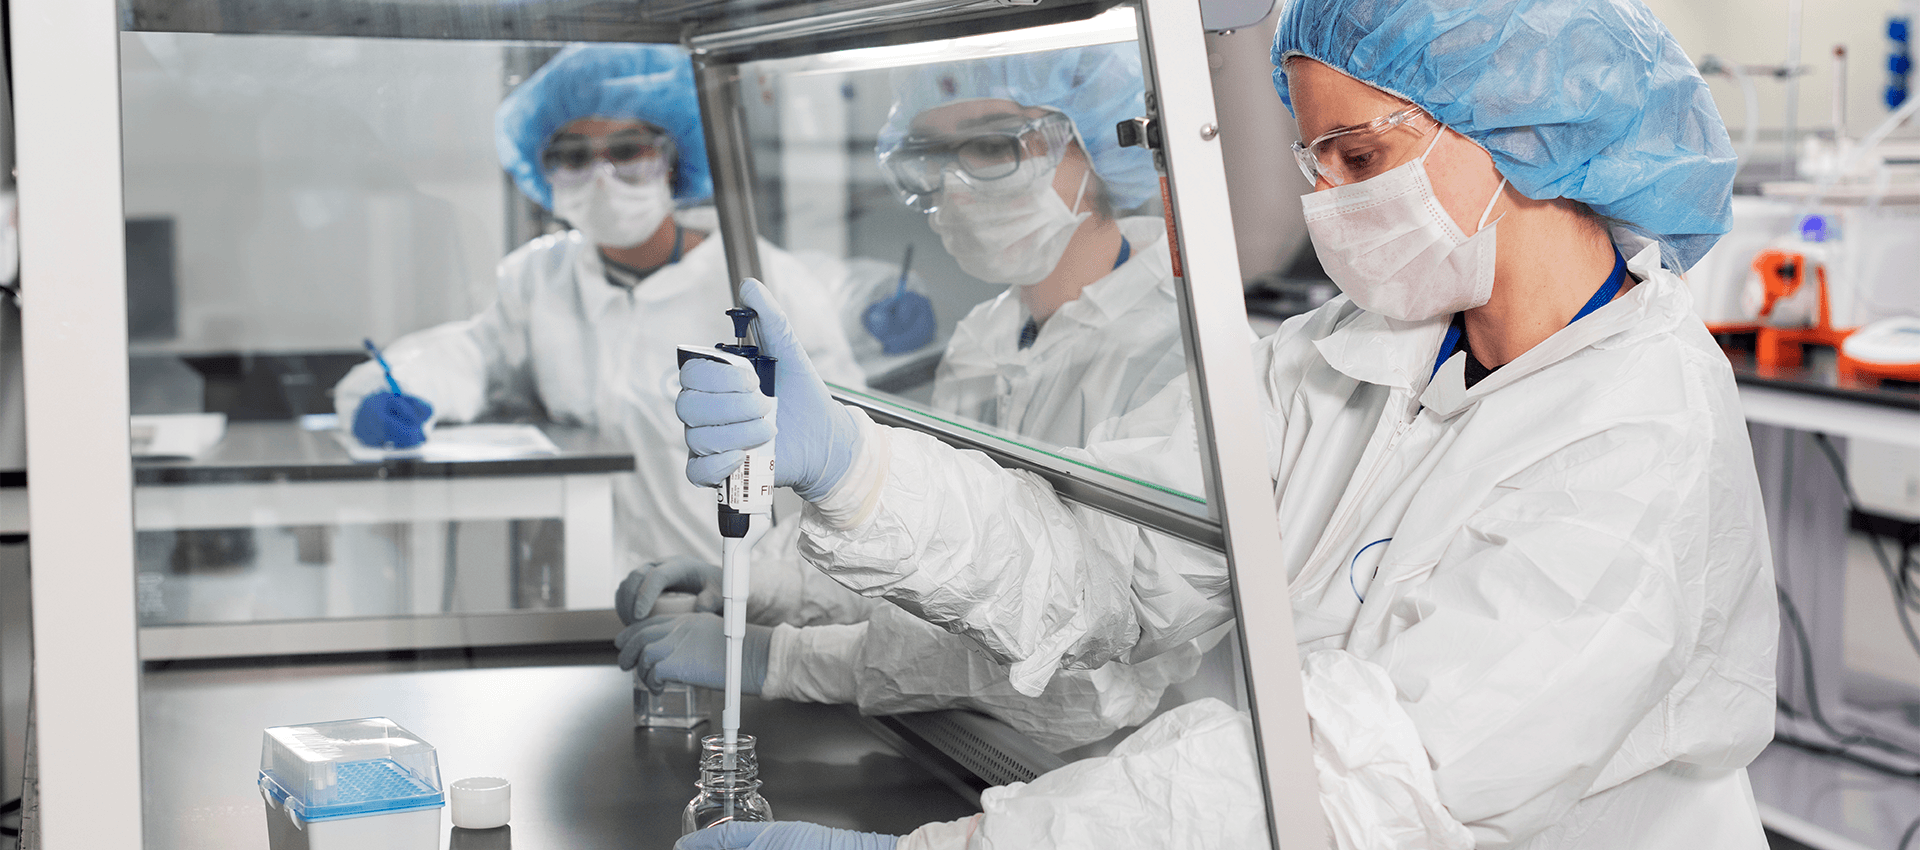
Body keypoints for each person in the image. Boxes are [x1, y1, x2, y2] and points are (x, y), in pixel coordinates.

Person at [672, 0, 1778, 847]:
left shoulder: (1641, 427)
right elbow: (1104, 561)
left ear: (1527, 133)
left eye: (1359, 158)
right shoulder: (1338, 356)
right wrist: (855, 471)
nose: (1330, 204)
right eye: (1316, 164)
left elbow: (1371, 771)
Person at [618, 44, 1215, 752]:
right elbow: (937, 558)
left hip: (1119, 773)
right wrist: (767, 583)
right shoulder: (988, 334)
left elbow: (1088, 667)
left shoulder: (1179, 355)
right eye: (931, 156)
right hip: (971, 743)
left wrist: (776, 660)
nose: (955, 185)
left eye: (993, 146)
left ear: (1097, 144)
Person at [330, 44, 861, 572]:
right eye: (574, 157)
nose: (602, 175)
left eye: (628, 150)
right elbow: (473, 355)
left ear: (674, 159)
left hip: (744, 594)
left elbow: (841, 449)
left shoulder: (757, 282)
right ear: (546, 171)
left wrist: (780, 601)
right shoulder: (540, 278)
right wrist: (391, 390)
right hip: (594, 593)